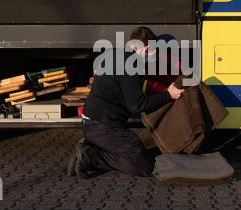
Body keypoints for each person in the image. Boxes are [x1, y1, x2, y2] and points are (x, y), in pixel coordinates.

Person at [67, 39, 184, 178]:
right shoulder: (130, 65)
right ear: (144, 48)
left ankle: (94, 149)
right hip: (103, 127)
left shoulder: (116, 55)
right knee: (145, 166)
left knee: (138, 154)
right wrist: (168, 95)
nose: (154, 55)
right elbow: (137, 105)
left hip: (93, 123)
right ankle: (91, 156)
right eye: (152, 51)